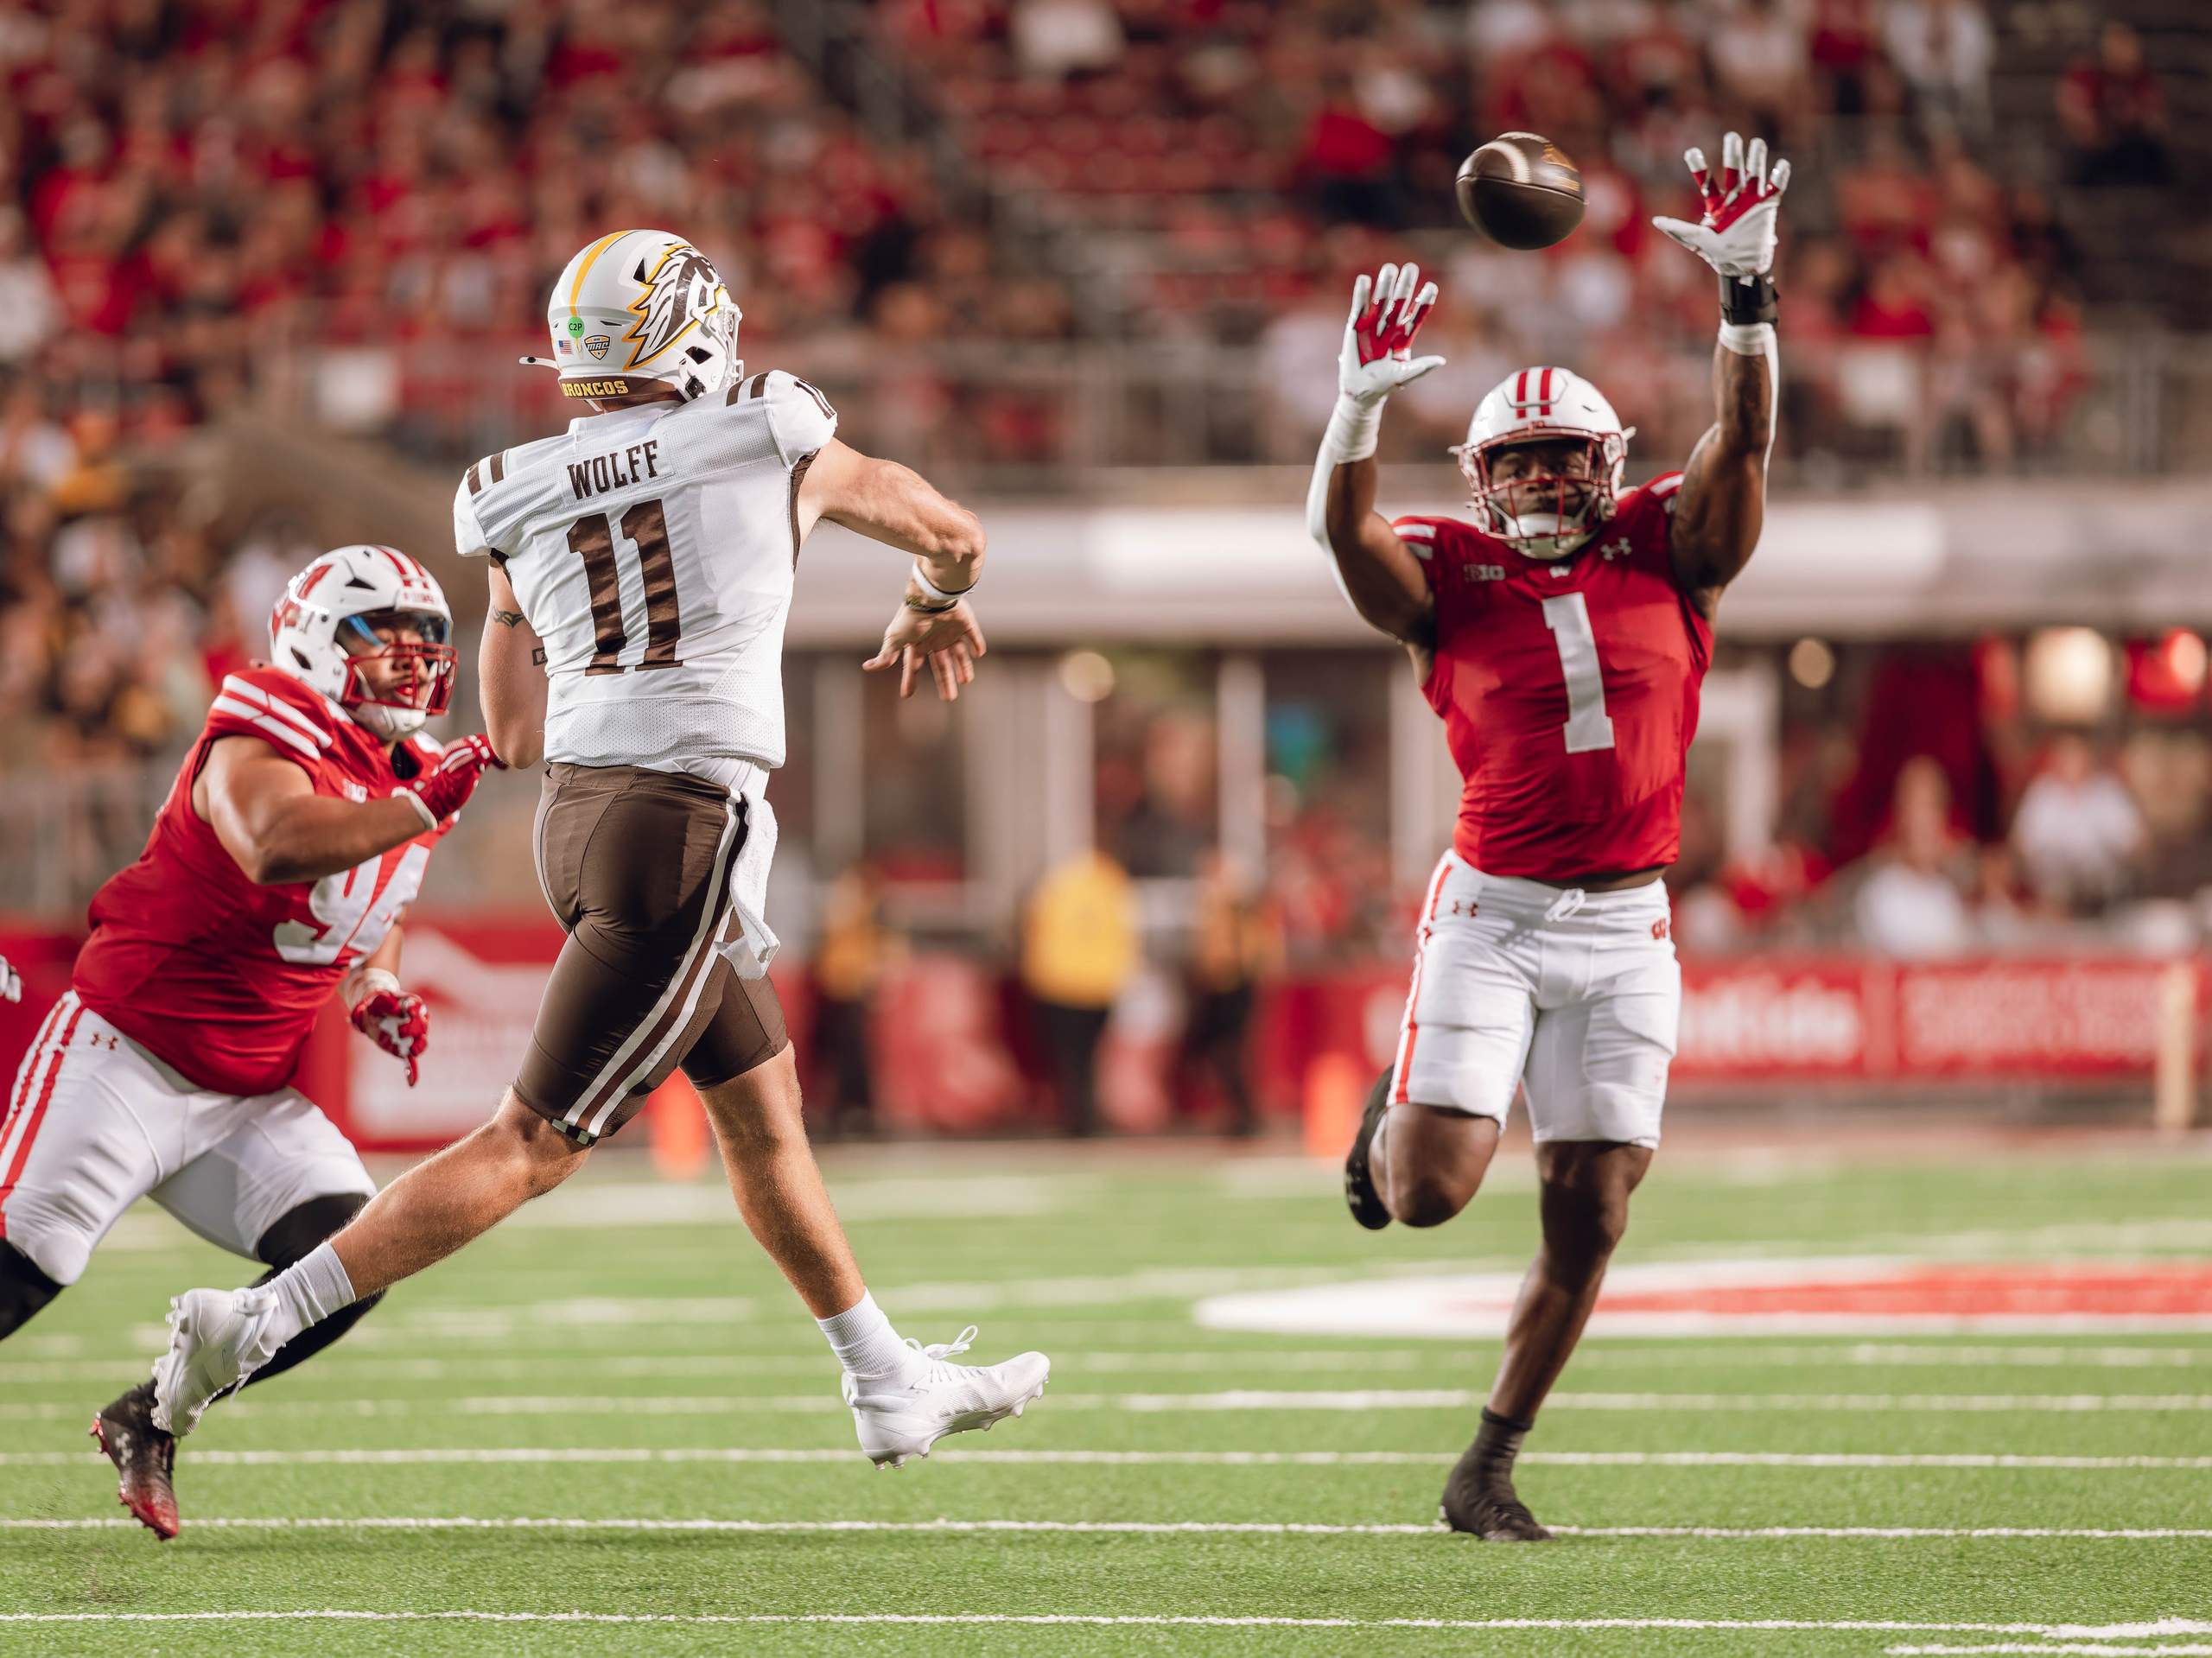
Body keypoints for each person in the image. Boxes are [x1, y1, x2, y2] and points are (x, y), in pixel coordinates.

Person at [143, 230, 1047, 1473]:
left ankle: (884, 1374)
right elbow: (955, 532)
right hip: (683, 824)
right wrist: (932, 600)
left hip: (582, 820)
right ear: (692, 328)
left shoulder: (511, 485)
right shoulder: (763, 426)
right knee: (532, 1142)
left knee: (763, 1115)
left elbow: (511, 730)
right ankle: (248, 1326)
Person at [1308, 132, 1789, 1540]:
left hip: (1629, 924)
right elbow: (1345, 545)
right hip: (1496, 911)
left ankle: (1490, 1462)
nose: (1534, 481)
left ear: (1606, 461)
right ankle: (1391, 1130)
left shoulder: (1668, 545)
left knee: (1591, 1213)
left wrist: (1747, 300)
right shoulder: (1445, 576)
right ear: (1476, 472)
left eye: (1559, 457)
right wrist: (1352, 410)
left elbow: (1744, 440)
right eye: (1510, 460)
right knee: (1435, 1192)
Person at [0, 545, 498, 1540]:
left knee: (354, 1257)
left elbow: (381, 886)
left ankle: (153, 1410)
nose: (411, 658)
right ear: (315, 639)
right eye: (382, 632)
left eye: (427, 637)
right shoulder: (265, 721)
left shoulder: (405, 773)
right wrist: (411, 807)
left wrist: (376, 977)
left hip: (247, 1095)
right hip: (127, 1051)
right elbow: (273, 838)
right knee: (24, 1264)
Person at [1020, 846, 1139, 1135]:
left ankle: (1078, 1117)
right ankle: (1085, 1116)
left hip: (1063, 985)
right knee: (1086, 1058)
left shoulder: (1055, 888)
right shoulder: (1112, 887)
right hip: (1098, 986)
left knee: (1071, 1058)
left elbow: (1037, 935)